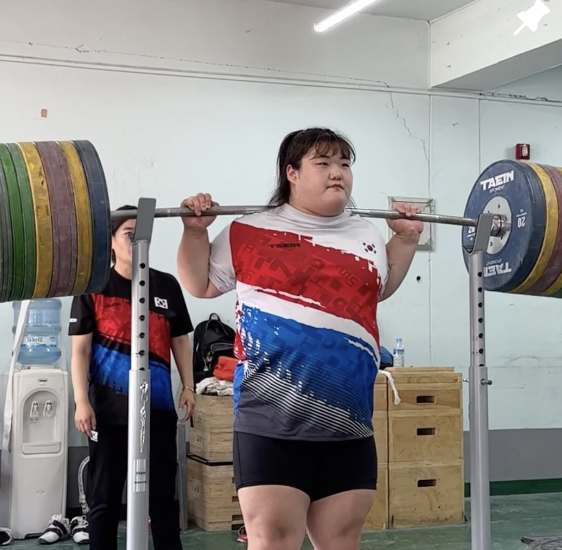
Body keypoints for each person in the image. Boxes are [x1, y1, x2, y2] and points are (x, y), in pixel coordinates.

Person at [176, 127, 423, 550]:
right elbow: (199, 283)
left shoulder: (365, 233)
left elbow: (380, 288)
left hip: (350, 425)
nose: (337, 173)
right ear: (291, 172)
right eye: (323, 163)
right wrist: (195, 233)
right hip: (272, 425)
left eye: (344, 164)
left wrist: (405, 239)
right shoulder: (249, 230)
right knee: (273, 542)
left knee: (341, 542)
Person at [69, 205, 196, 550]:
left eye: (143, 234)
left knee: (163, 500)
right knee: (105, 499)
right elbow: (80, 350)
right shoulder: (93, 288)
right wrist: (81, 401)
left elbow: (180, 340)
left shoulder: (166, 285)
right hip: (108, 413)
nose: (138, 241)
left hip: (158, 411)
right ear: (111, 241)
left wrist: (188, 387)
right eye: (129, 234)